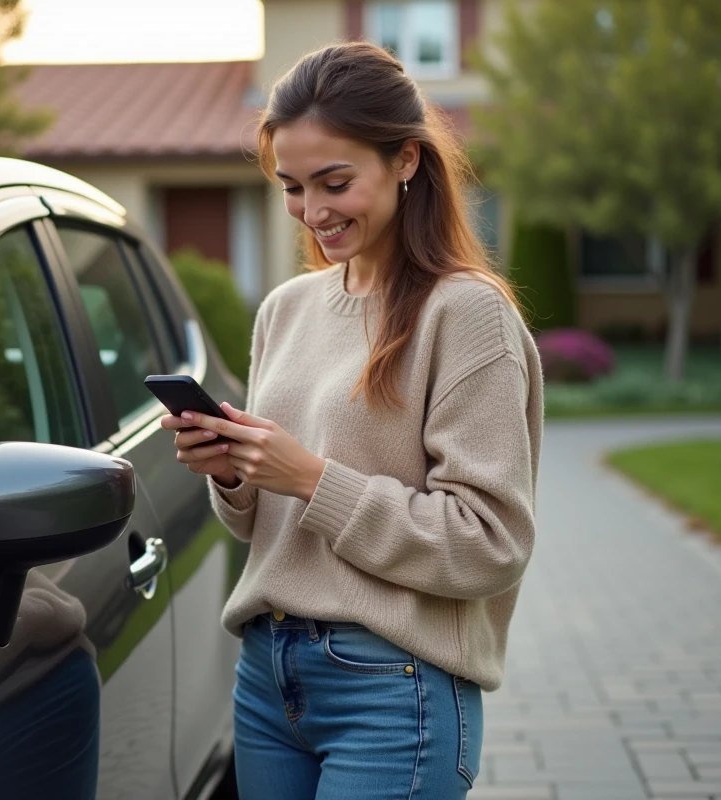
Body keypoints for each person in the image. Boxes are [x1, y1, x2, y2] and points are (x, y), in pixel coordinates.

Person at [162, 41, 543, 800]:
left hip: (394, 687)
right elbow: (263, 527)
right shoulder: (286, 309)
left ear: (405, 161)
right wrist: (235, 476)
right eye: (293, 187)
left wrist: (310, 478)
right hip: (267, 678)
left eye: (335, 182)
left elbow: (489, 544)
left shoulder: (466, 315)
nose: (313, 211)